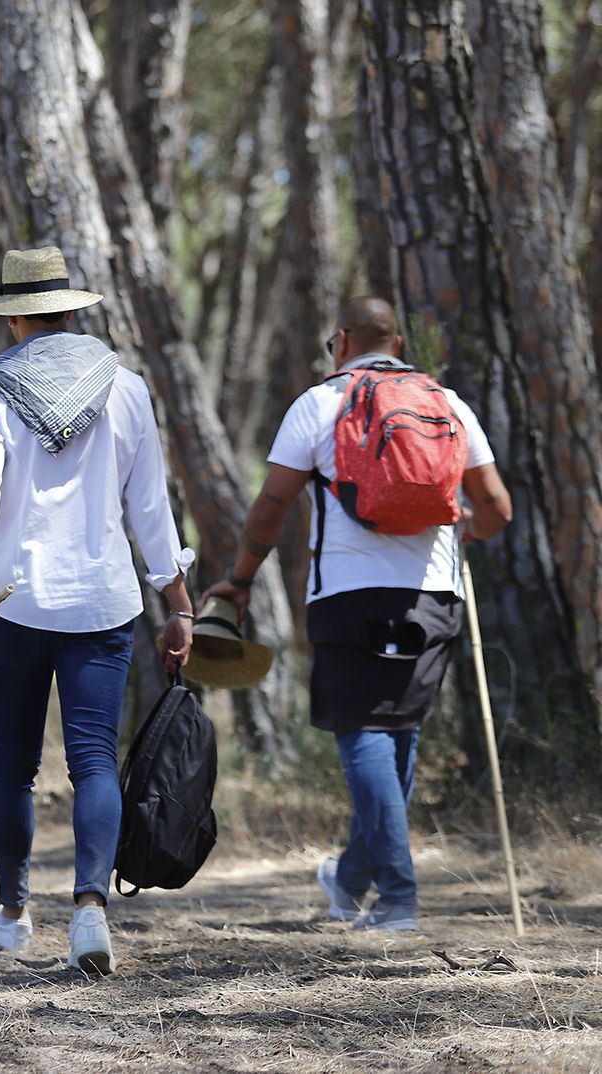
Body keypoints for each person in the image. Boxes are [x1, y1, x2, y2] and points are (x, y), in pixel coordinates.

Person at [202, 295, 512, 932]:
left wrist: (239, 581)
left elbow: (271, 507)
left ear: (341, 341)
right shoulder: (448, 404)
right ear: (396, 342)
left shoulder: (320, 404)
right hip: (434, 593)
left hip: (347, 593)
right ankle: (350, 881)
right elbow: (498, 509)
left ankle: (398, 899)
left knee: (364, 736)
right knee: (397, 736)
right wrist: (464, 539)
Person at [0, 246, 195, 975]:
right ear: (74, 309)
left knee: (13, 763)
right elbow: (152, 510)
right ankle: (89, 913)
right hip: (104, 603)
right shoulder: (127, 388)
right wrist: (178, 603)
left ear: (15, 317)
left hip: (16, 605)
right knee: (93, 761)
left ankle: (14, 914)